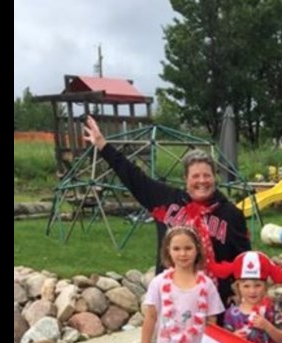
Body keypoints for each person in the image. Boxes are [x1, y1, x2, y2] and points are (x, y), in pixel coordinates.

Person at [82, 115, 251, 305]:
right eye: (195, 176)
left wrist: (244, 296)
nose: (202, 181)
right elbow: (133, 176)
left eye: (207, 175)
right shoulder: (166, 200)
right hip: (172, 300)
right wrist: (103, 145)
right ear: (186, 179)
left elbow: (243, 260)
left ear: (214, 178)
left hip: (215, 303)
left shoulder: (231, 214)